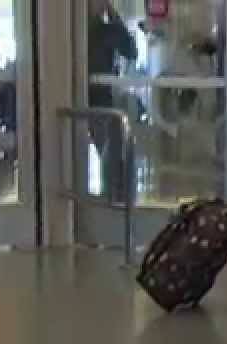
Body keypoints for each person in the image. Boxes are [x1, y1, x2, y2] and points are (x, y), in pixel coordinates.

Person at [87, 0, 137, 201]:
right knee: (107, 151)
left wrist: (113, 14)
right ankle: (113, 196)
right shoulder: (78, 31)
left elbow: (131, 51)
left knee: (110, 153)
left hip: (101, 99)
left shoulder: (106, 31)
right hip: (89, 97)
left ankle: (114, 197)